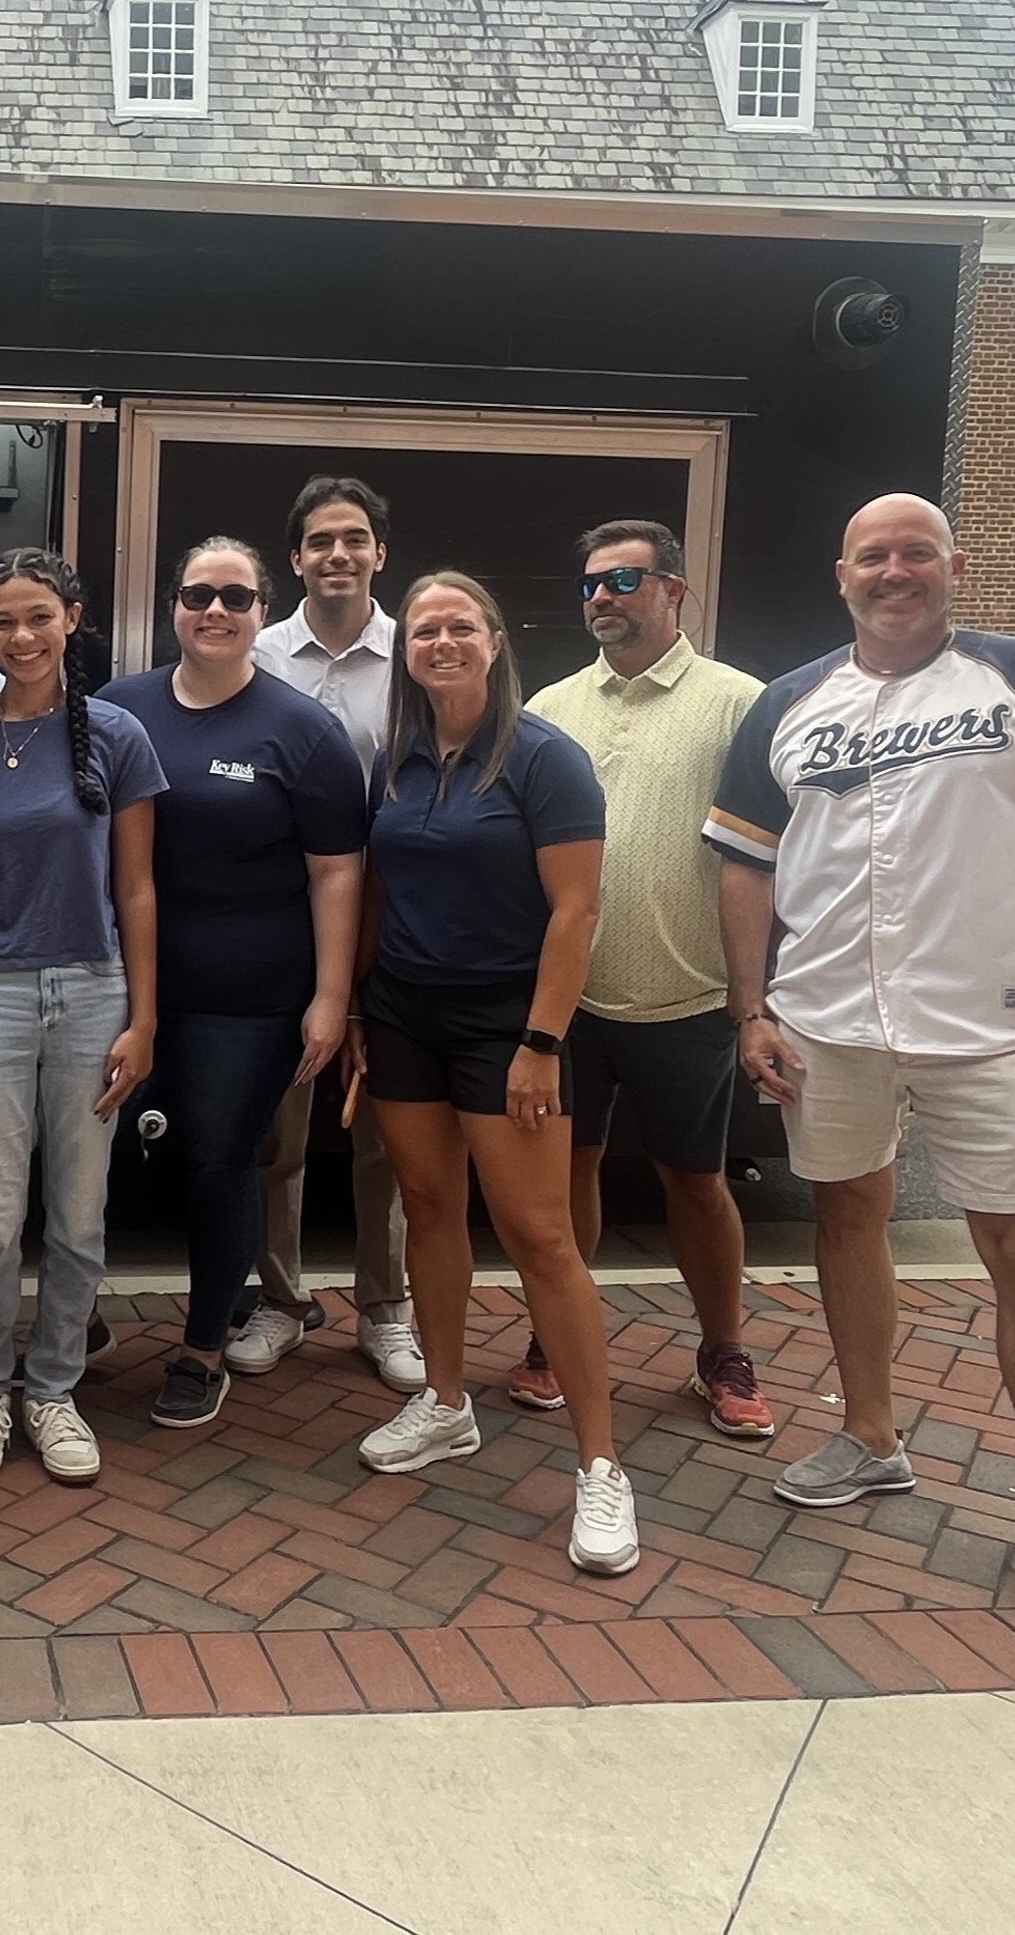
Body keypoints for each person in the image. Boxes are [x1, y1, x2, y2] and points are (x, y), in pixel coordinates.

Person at [710, 493, 1015, 1624]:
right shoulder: (791, 702)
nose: (895, 571)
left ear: (954, 565)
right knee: (847, 1214)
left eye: (916, 553)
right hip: (826, 1019)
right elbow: (744, 865)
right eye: (875, 555)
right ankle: (869, 1435)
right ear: (841, 573)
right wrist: (751, 1009)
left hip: (995, 1026)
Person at [348, 570, 639, 1577]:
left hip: (507, 1027)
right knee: (428, 1208)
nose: (439, 641)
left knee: (541, 1234)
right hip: (404, 1018)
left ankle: (601, 1466)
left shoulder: (547, 759)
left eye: (458, 624)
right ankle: (445, 1400)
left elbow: (577, 912)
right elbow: (380, 891)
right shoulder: (398, 756)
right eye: (423, 628)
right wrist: (355, 1006)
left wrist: (542, 1042)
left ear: (495, 638)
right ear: (407, 650)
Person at [0, 547, 166, 1486]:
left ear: (72, 619)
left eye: (37, 618)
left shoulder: (115, 736)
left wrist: (143, 1017)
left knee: (78, 1210)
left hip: (94, 989)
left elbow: (136, 890)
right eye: (1, 622)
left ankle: (52, 1387)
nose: (20, 637)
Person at [522, 519, 775, 1440]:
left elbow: (773, 852)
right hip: (570, 1000)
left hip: (688, 995)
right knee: (568, 1171)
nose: (600, 596)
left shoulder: (736, 704)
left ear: (674, 590)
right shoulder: (550, 708)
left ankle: (722, 1349)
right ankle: (559, 1333)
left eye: (623, 581)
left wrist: (757, 996)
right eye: (589, 583)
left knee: (695, 1182)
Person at [104, 539, 365, 1430]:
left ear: (263, 609)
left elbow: (337, 870)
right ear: (172, 605)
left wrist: (330, 997)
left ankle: (202, 1346)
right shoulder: (118, 707)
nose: (213, 610)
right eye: (196, 594)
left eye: (235, 596)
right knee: (86, 1159)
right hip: (116, 985)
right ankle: (79, 1325)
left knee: (218, 1165)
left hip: (244, 997)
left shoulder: (300, 728)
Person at [236, 477, 425, 1396]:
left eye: (355, 539)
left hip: (395, 915)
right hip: (285, 917)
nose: (338, 555)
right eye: (320, 541)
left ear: (379, 554)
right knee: (282, 1128)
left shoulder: (418, 651)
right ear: (297, 558)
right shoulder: (259, 654)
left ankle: (385, 1310)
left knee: (386, 1130)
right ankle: (280, 1299)